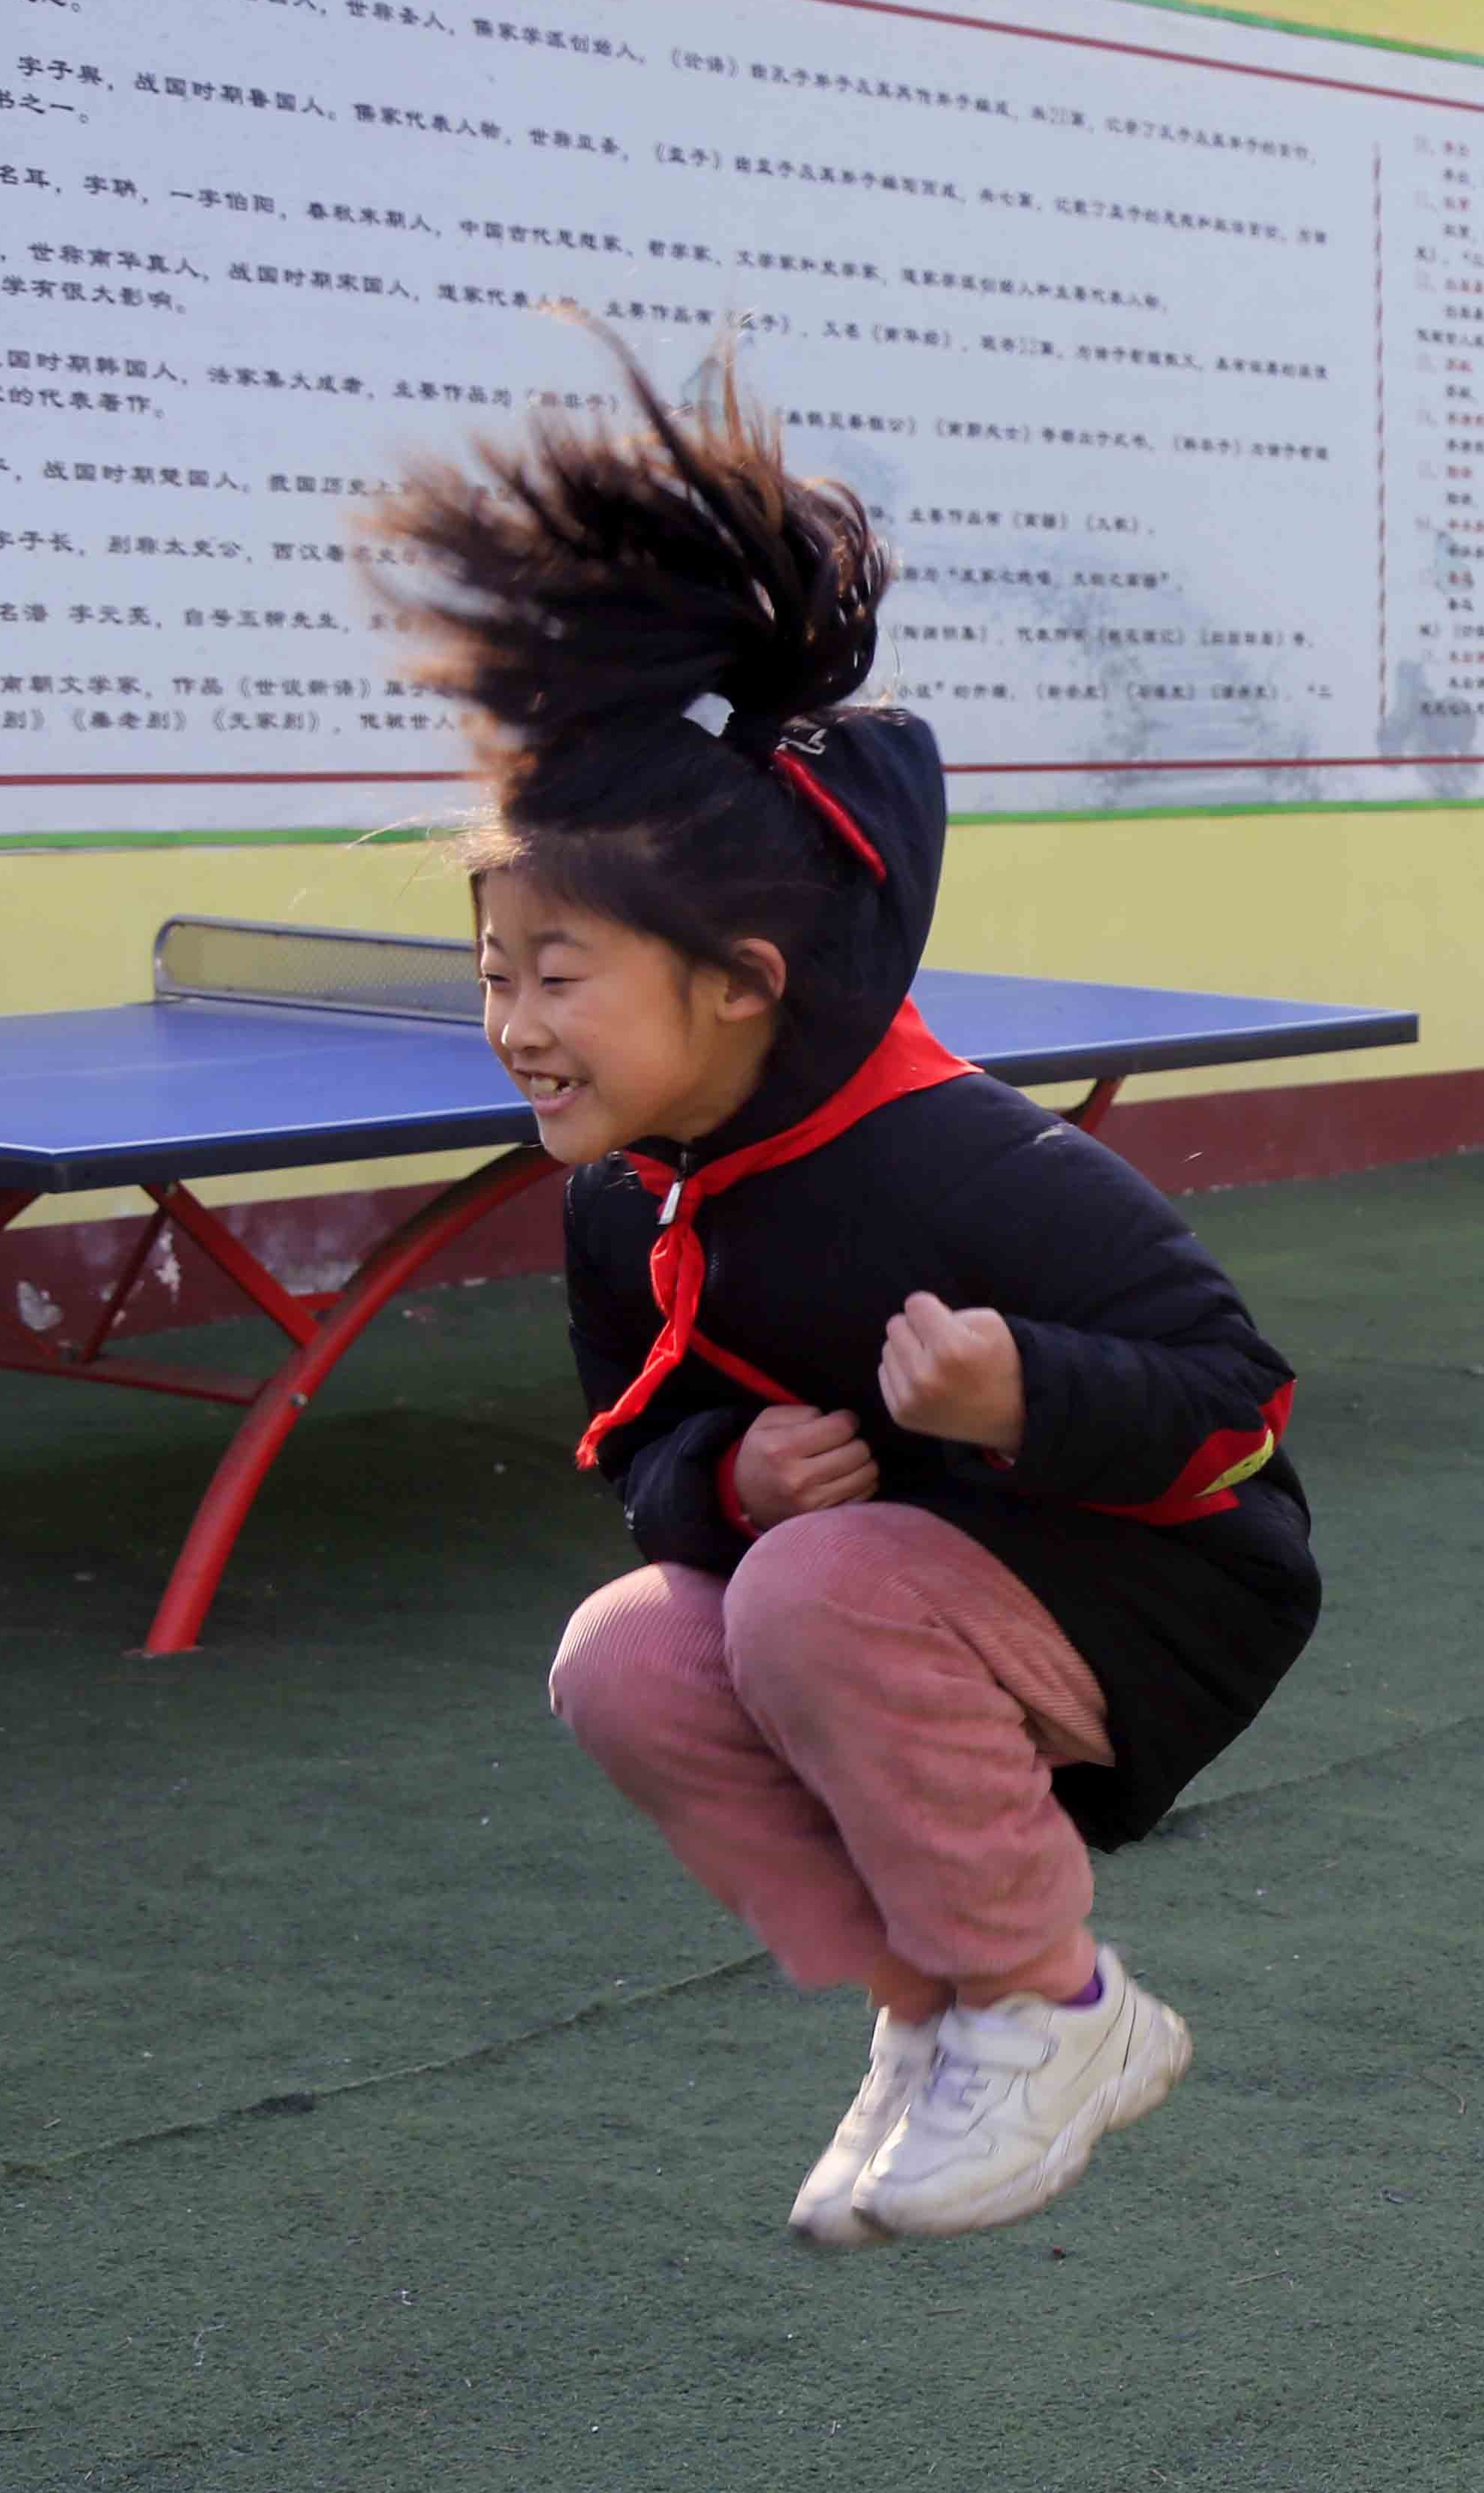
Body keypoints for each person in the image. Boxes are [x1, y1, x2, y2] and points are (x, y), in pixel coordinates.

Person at [375, 331, 1320, 2248]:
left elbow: (1239, 1407)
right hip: (904, 1600)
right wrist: (718, 1486)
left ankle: (1058, 2010)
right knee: (625, 1649)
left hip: (1162, 1586)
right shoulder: (621, 1193)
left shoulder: (955, 1156)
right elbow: (635, 1449)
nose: (512, 1024)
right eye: (494, 972)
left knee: (807, 1589)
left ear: (736, 977)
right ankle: (937, 2008)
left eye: (560, 976)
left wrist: (1014, 1391)